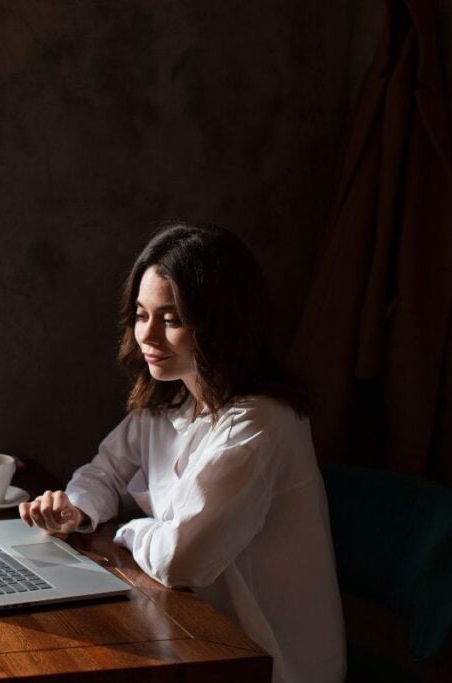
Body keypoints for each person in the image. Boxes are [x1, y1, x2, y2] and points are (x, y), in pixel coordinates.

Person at [20, 223, 345, 683]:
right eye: (140, 314)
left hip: (267, 660)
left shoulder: (260, 425)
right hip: (195, 632)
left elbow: (179, 561)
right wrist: (75, 508)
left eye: (171, 319)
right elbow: (108, 469)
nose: (147, 336)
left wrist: (129, 531)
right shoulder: (173, 396)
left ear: (220, 322)